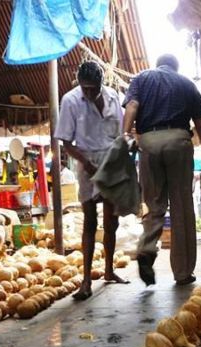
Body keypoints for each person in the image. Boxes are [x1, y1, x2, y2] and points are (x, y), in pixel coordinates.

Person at [122, 53, 201, 286]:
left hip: (148, 141)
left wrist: (125, 135)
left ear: (158, 65)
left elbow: (133, 105)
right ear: (176, 67)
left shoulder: (141, 78)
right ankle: (183, 272)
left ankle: (146, 249)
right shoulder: (186, 83)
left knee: (154, 205)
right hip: (178, 140)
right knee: (182, 207)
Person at [55, 60, 128, 300]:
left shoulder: (114, 97)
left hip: (111, 161)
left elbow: (120, 133)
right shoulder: (70, 100)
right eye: (85, 88)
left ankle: (108, 270)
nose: (89, 92)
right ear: (79, 84)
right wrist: (86, 163)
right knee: (89, 221)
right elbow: (66, 143)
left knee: (111, 221)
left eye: (93, 88)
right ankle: (86, 280)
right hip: (86, 162)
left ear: (101, 83)